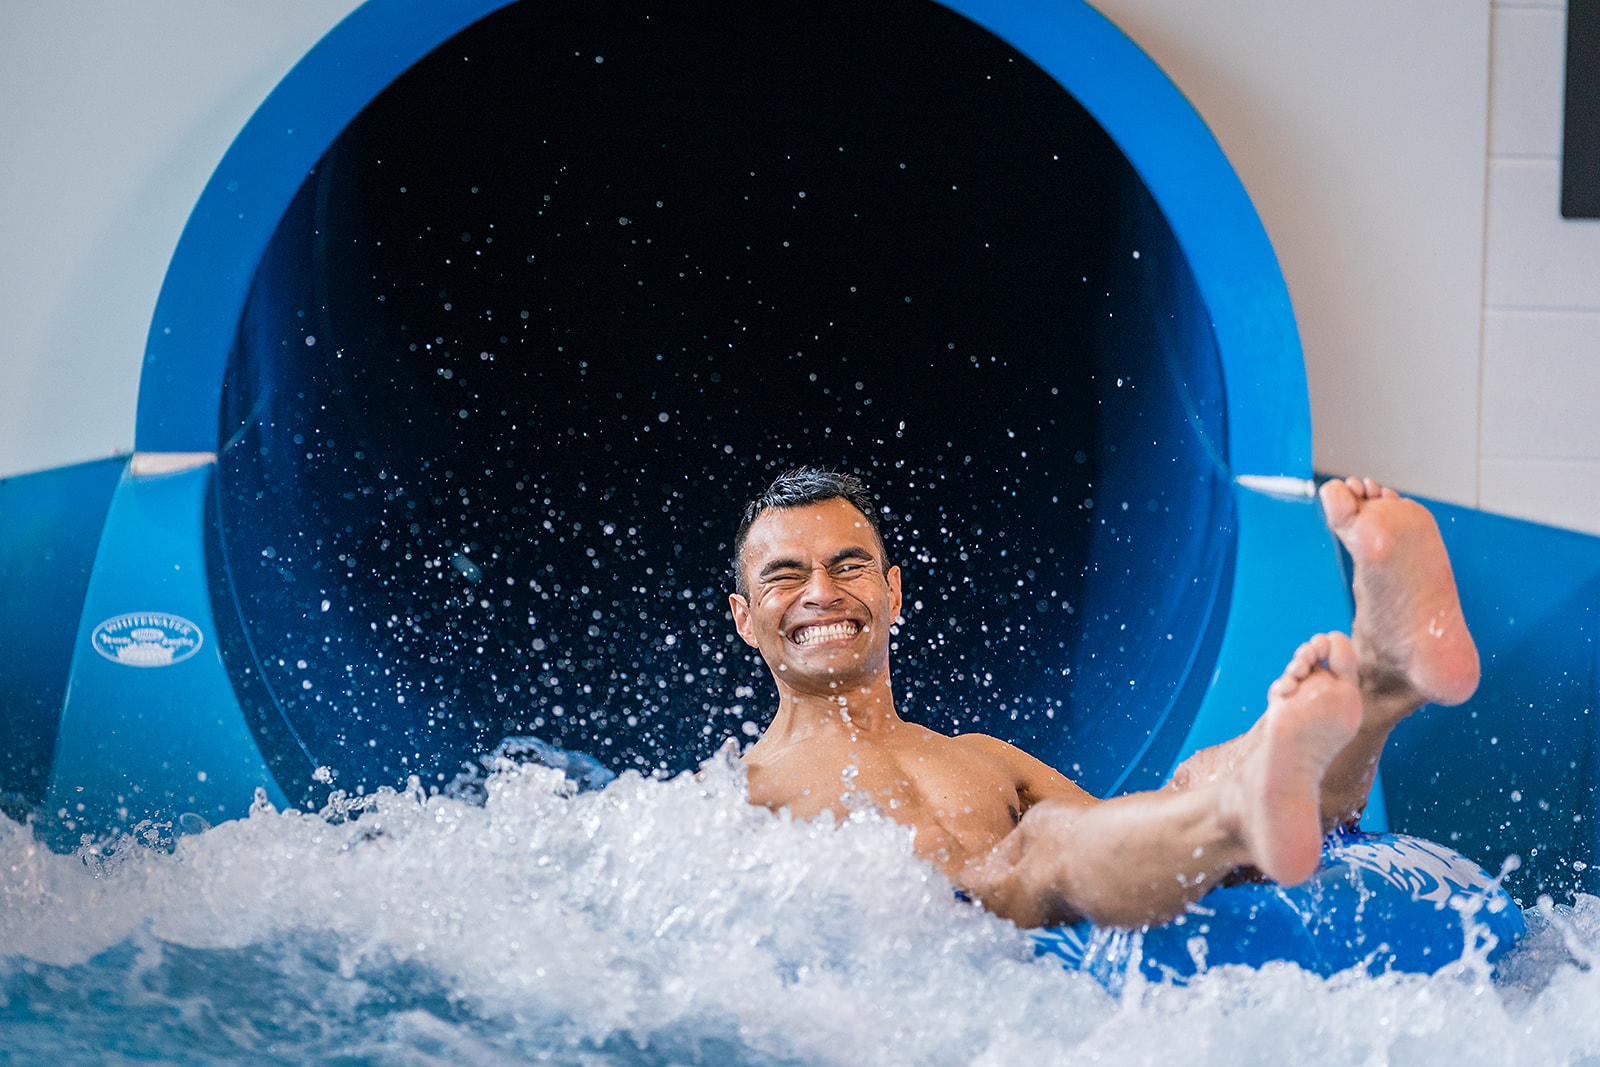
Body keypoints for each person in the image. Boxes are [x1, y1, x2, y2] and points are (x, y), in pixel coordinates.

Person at [727, 467, 1479, 929]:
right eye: (785, 575)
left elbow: (1121, 835)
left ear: (892, 594)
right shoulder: (730, 795)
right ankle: (1246, 803)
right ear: (745, 617)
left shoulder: (982, 757)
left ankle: (1386, 679)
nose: (821, 591)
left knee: (1181, 787)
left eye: (848, 564)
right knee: (1043, 843)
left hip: (1057, 935)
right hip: (951, 954)